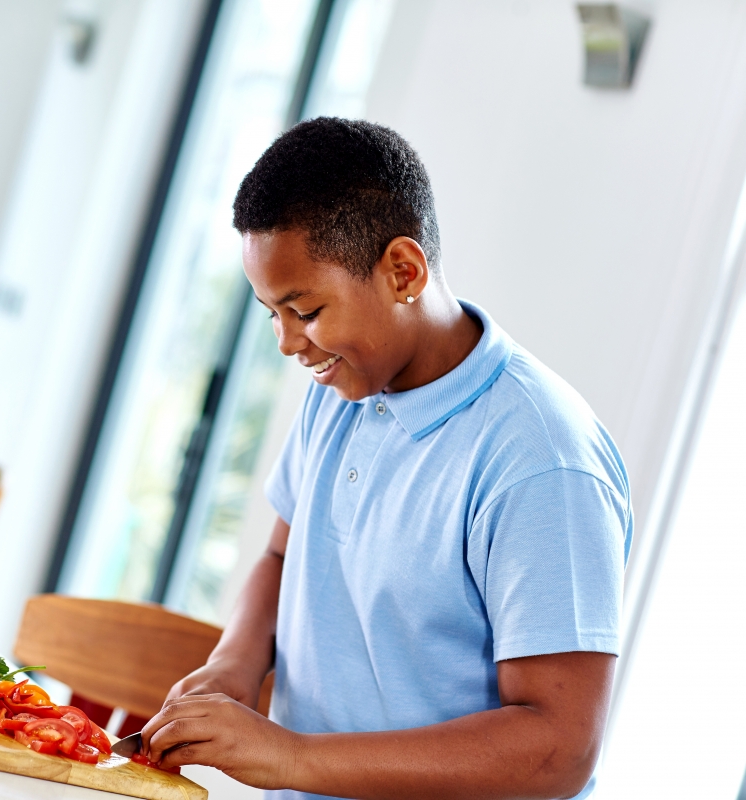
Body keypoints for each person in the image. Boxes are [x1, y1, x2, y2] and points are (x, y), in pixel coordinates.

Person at [139, 118, 632, 800]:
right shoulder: (346, 381)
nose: (287, 343)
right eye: (271, 314)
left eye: (305, 310)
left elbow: (559, 748)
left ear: (403, 271)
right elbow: (285, 558)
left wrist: (290, 757)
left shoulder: (542, 459)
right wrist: (234, 666)